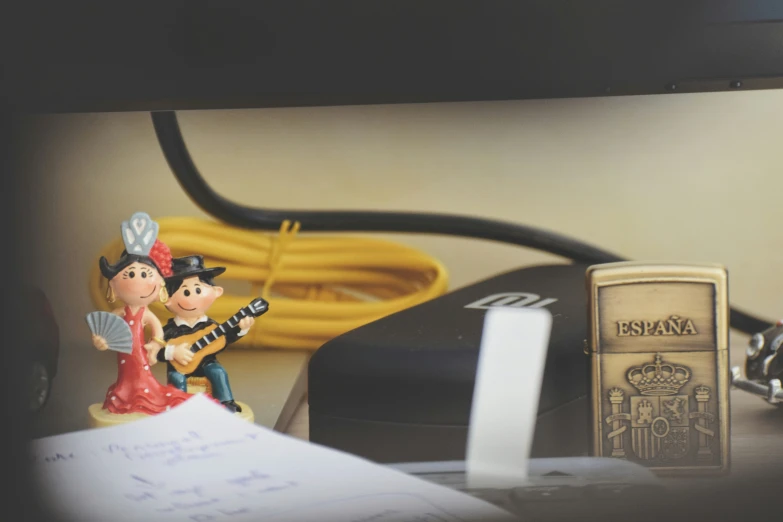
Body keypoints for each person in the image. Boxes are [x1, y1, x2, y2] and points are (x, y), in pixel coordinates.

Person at [92, 211, 197, 415]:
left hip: (140, 354)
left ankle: (142, 395)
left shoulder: (146, 314)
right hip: (124, 357)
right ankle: (126, 395)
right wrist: (100, 340)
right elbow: (104, 331)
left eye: (145, 274)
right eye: (130, 274)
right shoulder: (119, 312)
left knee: (141, 376)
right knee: (125, 377)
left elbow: (158, 330)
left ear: (160, 285)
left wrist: (155, 344)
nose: (137, 280)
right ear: (113, 284)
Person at [158, 255, 255, 412]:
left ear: (216, 292)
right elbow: (155, 351)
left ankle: (226, 403)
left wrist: (241, 328)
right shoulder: (169, 330)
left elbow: (225, 337)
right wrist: (172, 352)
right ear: (167, 299)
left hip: (206, 364)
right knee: (176, 379)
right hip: (178, 369)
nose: (194, 297)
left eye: (198, 289)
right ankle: (179, 407)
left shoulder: (210, 327)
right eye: (186, 292)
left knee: (218, 371)